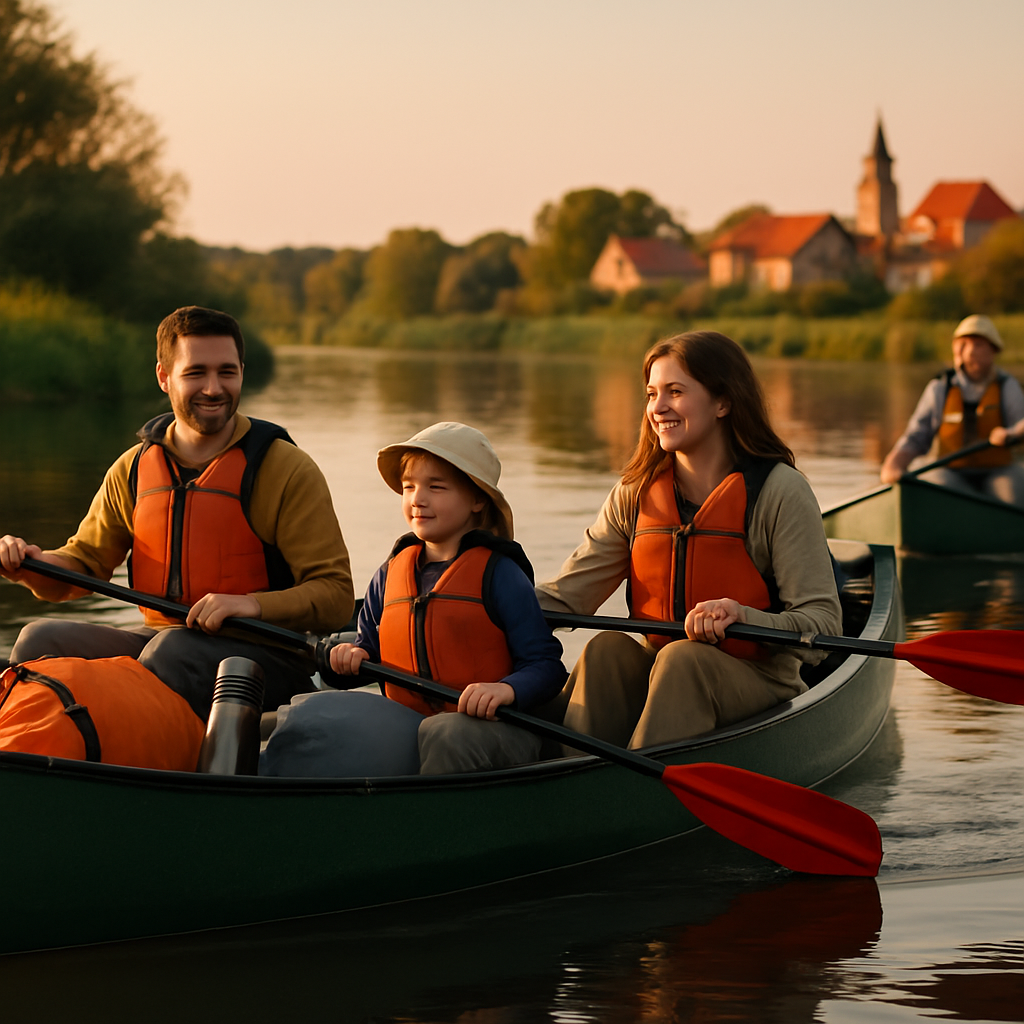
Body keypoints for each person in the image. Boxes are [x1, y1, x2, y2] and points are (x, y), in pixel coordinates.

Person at [0, 305, 354, 720]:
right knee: (38, 641)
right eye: (195, 373)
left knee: (172, 652)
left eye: (227, 372)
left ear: (242, 370)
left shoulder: (286, 468)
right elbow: (83, 564)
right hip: (161, 642)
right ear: (164, 377)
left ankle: (164, 767)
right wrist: (31, 566)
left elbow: (335, 597)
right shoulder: (133, 468)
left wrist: (249, 605)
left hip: (267, 658)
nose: (213, 388)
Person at [534, 331, 842, 750]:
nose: (657, 408)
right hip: (660, 670)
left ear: (722, 402)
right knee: (605, 649)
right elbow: (566, 598)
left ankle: (636, 796)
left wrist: (743, 617)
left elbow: (823, 625)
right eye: (651, 394)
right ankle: (570, 785)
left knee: (685, 660)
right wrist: (487, 600)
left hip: (759, 681)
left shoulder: (780, 492)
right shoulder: (636, 492)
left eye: (675, 392)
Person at [261, 421, 566, 777]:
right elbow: (368, 651)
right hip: (409, 725)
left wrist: (505, 690)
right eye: (409, 487)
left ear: (477, 500)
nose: (417, 499)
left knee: (444, 731)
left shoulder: (500, 575)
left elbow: (547, 667)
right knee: (303, 718)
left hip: (497, 731)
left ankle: (432, 825)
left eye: (436, 488)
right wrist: (348, 658)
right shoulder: (390, 573)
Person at [880, 314, 1024, 506]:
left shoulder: (1008, 386)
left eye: (978, 344)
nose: (970, 351)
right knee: (942, 489)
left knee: (1012, 494)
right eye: (963, 343)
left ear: (993, 350)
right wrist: (894, 464)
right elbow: (916, 437)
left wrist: (1011, 433)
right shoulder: (939, 388)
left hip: (998, 470)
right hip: (949, 470)